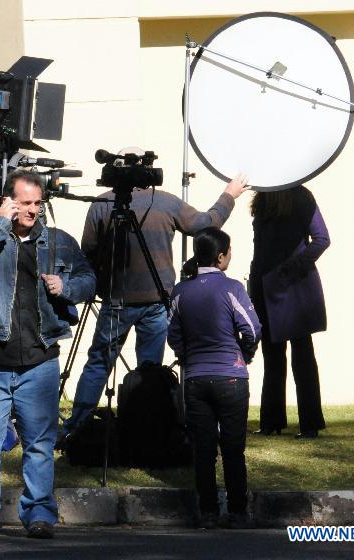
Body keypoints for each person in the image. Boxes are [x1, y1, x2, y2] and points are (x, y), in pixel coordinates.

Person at [0, 170, 96, 539]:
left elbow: (89, 280)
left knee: (40, 445)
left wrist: (66, 287)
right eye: (25, 203)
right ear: (8, 201)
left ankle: (39, 514)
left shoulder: (59, 242)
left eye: (37, 203)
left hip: (40, 358)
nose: (33, 211)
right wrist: (0, 223)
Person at [62, 150, 249, 437]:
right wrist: (228, 196)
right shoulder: (164, 201)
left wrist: (98, 285)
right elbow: (205, 225)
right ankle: (146, 431)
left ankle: (76, 428)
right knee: (149, 371)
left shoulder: (102, 204)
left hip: (117, 301)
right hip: (157, 301)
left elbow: (89, 253)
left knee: (99, 363)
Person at [167, 227, 261, 529]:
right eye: (229, 251)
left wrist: (188, 356)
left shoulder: (181, 291)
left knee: (204, 450)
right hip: (230, 378)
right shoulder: (232, 288)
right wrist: (244, 355)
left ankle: (208, 512)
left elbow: (173, 334)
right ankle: (237, 512)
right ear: (221, 257)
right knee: (233, 449)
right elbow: (252, 328)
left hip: (195, 379)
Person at [250, 185, 330, 439]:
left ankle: (303, 423)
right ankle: (280, 422)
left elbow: (321, 239)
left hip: (291, 284)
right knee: (278, 354)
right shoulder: (265, 196)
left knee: (298, 354)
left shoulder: (297, 195)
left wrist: (290, 268)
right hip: (268, 284)